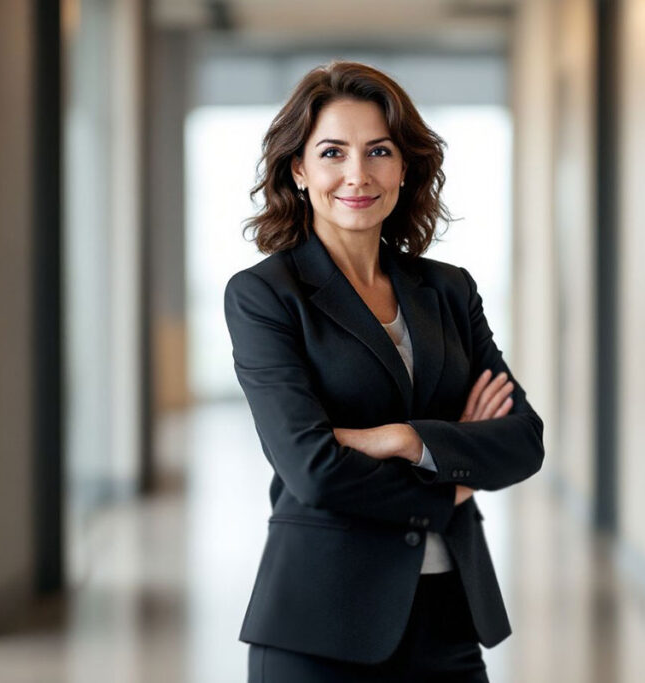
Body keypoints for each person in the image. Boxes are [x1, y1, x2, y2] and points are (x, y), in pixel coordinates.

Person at [225, 60, 545, 683]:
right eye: (332, 152)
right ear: (298, 169)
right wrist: (455, 475)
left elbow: (523, 440)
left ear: (404, 166)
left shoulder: (448, 290)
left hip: (449, 619)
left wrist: (408, 440)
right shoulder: (265, 295)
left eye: (378, 151)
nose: (357, 175)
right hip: (320, 625)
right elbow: (312, 469)